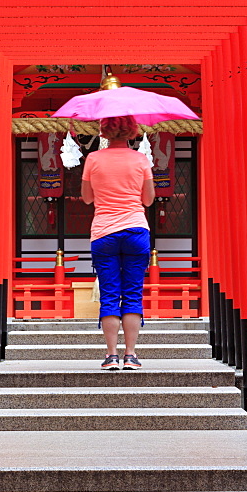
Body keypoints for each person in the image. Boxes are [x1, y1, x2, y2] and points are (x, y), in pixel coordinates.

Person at [81, 115, 155, 370]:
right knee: (133, 293)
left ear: (104, 132)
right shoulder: (140, 159)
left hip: (104, 232)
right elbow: (148, 200)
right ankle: (131, 355)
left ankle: (111, 355)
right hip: (136, 230)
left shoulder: (93, 159)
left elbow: (87, 198)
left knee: (110, 294)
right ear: (132, 132)